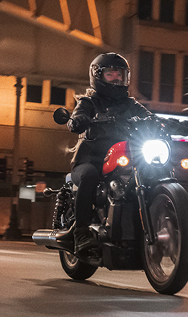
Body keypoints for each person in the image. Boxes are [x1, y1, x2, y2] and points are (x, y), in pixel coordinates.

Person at [57, 53, 155, 251]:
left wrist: (172, 124)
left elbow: (150, 117)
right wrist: (77, 121)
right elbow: (77, 117)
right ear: (98, 76)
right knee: (89, 176)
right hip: (90, 160)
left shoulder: (130, 105)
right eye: (111, 74)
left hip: (124, 158)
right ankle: (81, 233)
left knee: (150, 173)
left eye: (120, 74)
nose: (117, 78)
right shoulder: (89, 102)